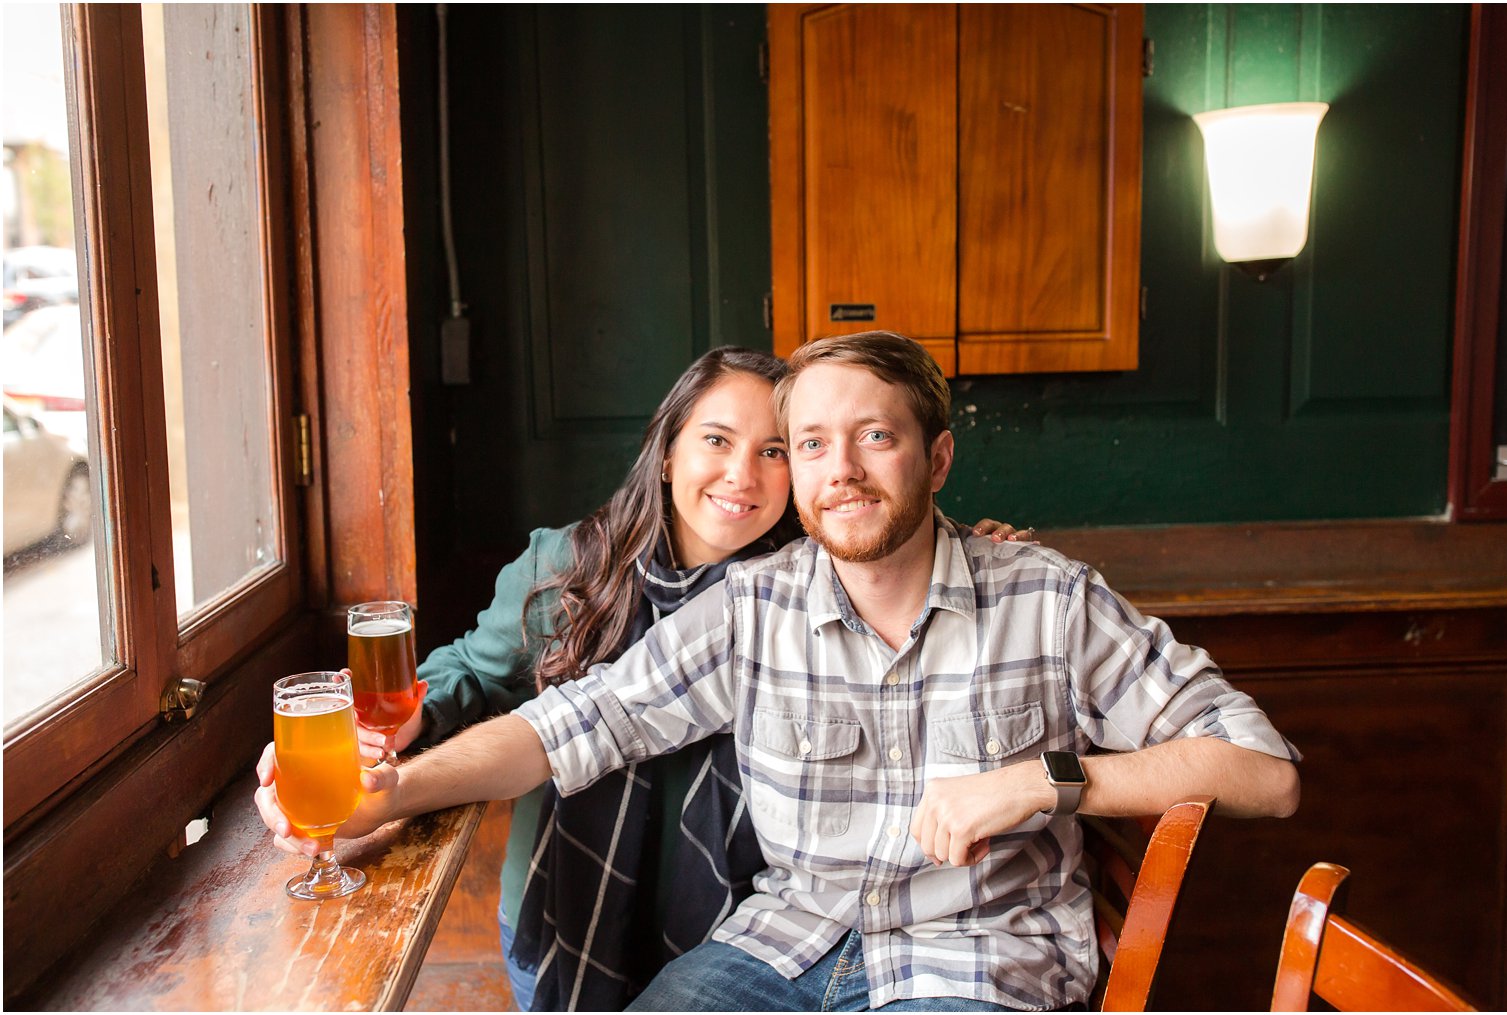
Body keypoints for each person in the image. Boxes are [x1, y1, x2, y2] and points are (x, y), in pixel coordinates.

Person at [257, 331, 1299, 1011]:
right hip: (780, 946)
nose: (835, 469)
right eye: (807, 445)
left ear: (934, 460)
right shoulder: (752, 605)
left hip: (972, 962)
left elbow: (1266, 772)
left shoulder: (1045, 599)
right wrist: (384, 786)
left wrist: (1046, 780)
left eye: (872, 438)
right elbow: (570, 724)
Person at [345, 345, 1028, 1011]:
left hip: (742, 930)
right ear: (668, 451)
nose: (742, 474)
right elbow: (474, 676)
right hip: (570, 910)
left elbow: (898, 540)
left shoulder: (803, 594)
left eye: (774, 452)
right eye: (717, 440)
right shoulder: (567, 566)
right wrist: (404, 722)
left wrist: (970, 542)